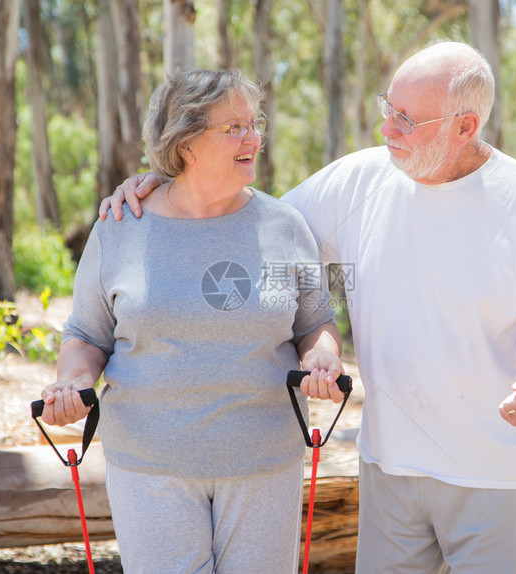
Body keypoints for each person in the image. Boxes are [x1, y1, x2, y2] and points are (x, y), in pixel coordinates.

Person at [102, 40, 516, 574]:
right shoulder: (358, 179)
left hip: (500, 475)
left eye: (406, 119)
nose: (387, 130)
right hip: (389, 473)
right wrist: (163, 185)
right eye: (388, 109)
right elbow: (241, 219)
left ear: (465, 127)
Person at [40, 68, 344, 574]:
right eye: (235, 128)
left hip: (265, 461)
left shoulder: (284, 226)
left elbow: (316, 322)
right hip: (149, 464)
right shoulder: (120, 226)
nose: (254, 137)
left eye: (256, 123)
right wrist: (71, 382)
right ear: (185, 142)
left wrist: (324, 358)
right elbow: (87, 335)